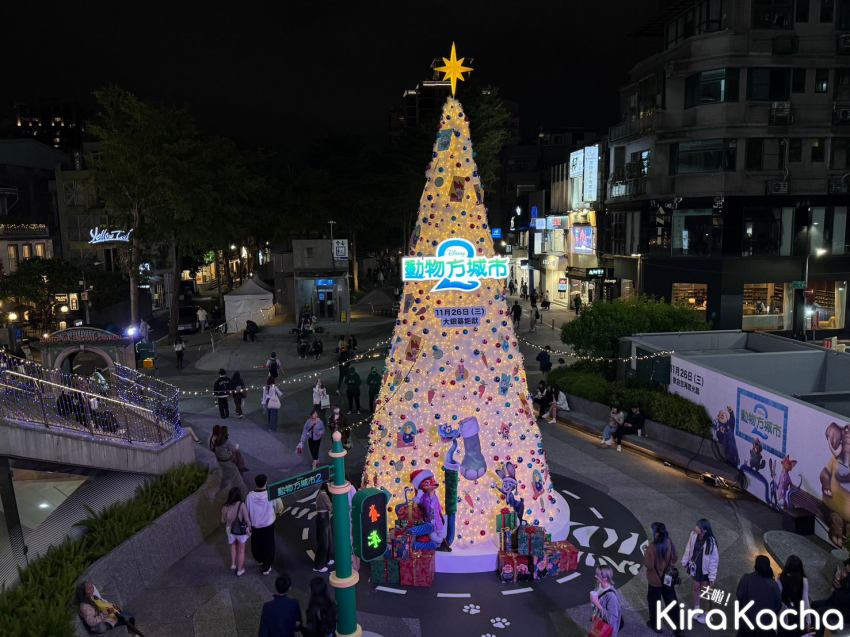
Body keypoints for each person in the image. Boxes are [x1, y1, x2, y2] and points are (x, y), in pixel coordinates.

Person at [681, 518, 719, 623]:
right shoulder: (693, 535)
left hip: (706, 571)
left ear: (704, 530)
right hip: (696, 568)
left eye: (698, 527)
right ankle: (696, 609)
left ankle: (707, 614)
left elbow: (714, 560)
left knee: (706, 593)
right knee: (696, 588)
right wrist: (685, 561)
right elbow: (688, 548)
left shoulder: (711, 542)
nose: (695, 527)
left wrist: (712, 576)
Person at [645, 521, 679, 634]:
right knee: (672, 603)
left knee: (654, 603)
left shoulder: (651, 548)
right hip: (667, 578)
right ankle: (678, 629)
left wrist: (645, 554)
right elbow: (674, 558)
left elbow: (649, 566)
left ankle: (655, 625)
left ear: (656, 533)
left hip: (655, 581)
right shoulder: (669, 542)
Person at [736, 555, 782, 636]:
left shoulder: (746, 579)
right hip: (766, 628)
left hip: (747, 627)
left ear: (756, 566)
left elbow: (739, 595)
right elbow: (778, 605)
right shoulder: (773, 584)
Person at [247, 474, 277, 576]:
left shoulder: (250, 496)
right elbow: (276, 506)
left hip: (255, 525)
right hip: (268, 525)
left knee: (256, 544)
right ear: (266, 482)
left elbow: (247, 509)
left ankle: (259, 559)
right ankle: (266, 567)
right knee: (269, 546)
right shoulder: (270, 494)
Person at [221, 487, 251, 576]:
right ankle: (239, 570)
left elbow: (222, 520)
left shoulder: (225, 506)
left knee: (233, 546)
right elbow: (247, 519)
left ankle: (233, 564)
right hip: (240, 531)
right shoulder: (242, 505)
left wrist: (227, 518)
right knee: (241, 550)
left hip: (229, 529)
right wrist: (249, 528)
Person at [777, 554, 810, 637]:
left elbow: (778, 599)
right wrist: (808, 620)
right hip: (799, 615)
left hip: (785, 615)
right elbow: (805, 600)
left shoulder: (780, 579)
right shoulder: (803, 581)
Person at [589, 565, 622, 637]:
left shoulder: (611, 596)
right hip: (598, 623)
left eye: (598, 575)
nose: (595, 576)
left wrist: (596, 603)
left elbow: (612, 619)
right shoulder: (598, 584)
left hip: (605, 630)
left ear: (605, 578)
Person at [312, 484, 334, 573]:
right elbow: (330, 507)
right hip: (323, 518)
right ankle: (318, 566)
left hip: (323, 517)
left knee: (328, 541)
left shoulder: (321, 493)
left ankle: (326, 559)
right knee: (324, 543)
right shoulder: (323, 495)